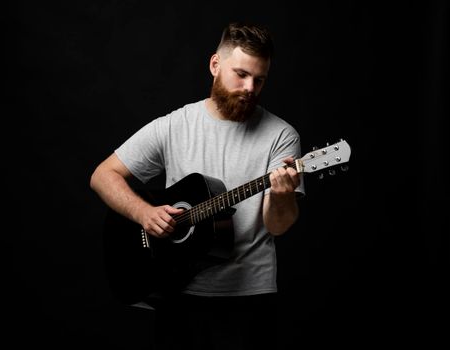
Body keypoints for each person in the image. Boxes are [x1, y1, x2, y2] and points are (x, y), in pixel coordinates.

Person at [90, 22, 305, 350]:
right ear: (215, 65)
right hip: (176, 290)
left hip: (249, 297)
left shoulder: (281, 136)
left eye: (259, 80)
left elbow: (277, 225)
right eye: (241, 74)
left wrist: (281, 194)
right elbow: (102, 175)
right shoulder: (175, 125)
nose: (250, 87)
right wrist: (144, 213)